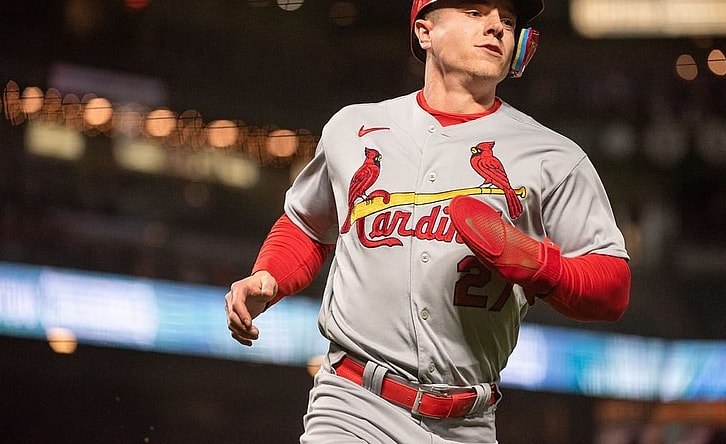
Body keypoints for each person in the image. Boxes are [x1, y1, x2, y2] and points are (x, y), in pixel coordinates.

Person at [225, 0, 631, 442]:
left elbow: (612, 286)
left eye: (508, 21)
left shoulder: (554, 156)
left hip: (468, 422)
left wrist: (540, 266)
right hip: (355, 404)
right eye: (476, 12)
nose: (496, 26)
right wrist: (268, 276)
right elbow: (306, 225)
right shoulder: (353, 127)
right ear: (424, 32)